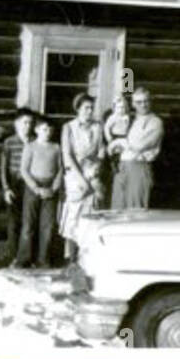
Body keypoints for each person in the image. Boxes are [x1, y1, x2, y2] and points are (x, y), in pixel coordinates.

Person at [59, 93, 107, 263]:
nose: (89, 111)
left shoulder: (97, 127)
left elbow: (101, 149)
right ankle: (70, 260)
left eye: (91, 108)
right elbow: (67, 154)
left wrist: (96, 169)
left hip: (92, 174)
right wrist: (80, 179)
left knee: (91, 216)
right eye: (86, 108)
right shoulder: (69, 127)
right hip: (75, 176)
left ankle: (86, 259)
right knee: (73, 218)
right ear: (78, 109)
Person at [14, 115, 63, 268]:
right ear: (36, 130)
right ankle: (24, 259)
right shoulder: (31, 147)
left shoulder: (56, 147)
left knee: (47, 226)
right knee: (28, 225)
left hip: (50, 188)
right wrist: (35, 188)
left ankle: (43, 260)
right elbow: (24, 169)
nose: (47, 132)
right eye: (44, 129)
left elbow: (61, 169)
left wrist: (54, 188)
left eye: (50, 129)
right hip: (33, 186)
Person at [111, 86, 163, 210]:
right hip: (121, 167)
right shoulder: (129, 119)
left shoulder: (155, 122)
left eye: (146, 101)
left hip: (139, 167)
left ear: (150, 102)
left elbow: (138, 145)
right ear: (133, 104)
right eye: (139, 102)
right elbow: (113, 141)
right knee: (117, 209)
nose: (143, 105)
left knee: (135, 210)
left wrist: (120, 142)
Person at [0, 107, 34, 266]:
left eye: (30, 123)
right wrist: (6, 188)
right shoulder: (10, 142)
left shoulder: (35, 141)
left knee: (29, 221)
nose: (28, 126)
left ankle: (26, 257)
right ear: (17, 124)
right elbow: (4, 167)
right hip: (15, 183)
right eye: (24, 122)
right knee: (14, 222)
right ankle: (13, 257)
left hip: (31, 184)